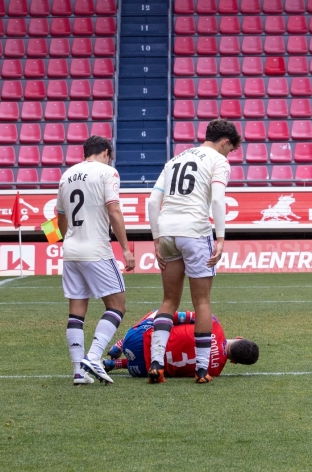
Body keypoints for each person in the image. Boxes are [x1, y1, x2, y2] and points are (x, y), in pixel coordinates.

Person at [147, 119, 241, 384]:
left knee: (169, 300)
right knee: (202, 301)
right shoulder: (218, 161)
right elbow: (217, 199)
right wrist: (220, 239)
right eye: (230, 149)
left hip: (166, 231)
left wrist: (156, 239)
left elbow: (153, 201)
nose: (229, 154)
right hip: (195, 232)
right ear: (225, 142)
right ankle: (201, 369)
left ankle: (156, 362)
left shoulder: (175, 159)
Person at [56, 135, 135, 385]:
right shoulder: (107, 172)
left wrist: (67, 237)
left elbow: (60, 216)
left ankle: (79, 371)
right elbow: (114, 209)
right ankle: (93, 356)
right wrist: (125, 248)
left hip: (71, 250)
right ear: (105, 152)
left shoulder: (66, 175)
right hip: (97, 250)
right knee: (117, 305)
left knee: (76, 311)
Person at [104, 311, 259, 379]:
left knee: (162, 312)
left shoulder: (213, 323)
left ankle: (120, 344)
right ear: (234, 361)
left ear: (239, 337)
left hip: (137, 340)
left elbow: (175, 316)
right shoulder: (214, 371)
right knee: (171, 361)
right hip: (140, 370)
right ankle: (116, 364)